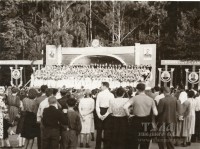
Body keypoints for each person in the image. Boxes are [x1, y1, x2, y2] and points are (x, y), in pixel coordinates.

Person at [123, 83, 158, 149]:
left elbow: (125, 107)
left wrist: (129, 115)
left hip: (136, 120)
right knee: (145, 141)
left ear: (137, 89)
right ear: (144, 89)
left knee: (134, 141)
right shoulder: (151, 99)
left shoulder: (134, 98)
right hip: (147, 121)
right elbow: (156, 113)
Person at [95, 82, 114, 149]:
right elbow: (111, 106)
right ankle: (107, 147)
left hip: (100, 111)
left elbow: (97, 105)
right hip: (108, 112)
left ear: (105, 86)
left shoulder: (99, 94)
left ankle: (98, 147)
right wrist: (105, 115)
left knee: (99, 131)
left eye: (101, 86)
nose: (100, 87)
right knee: (107, 131)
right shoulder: (111, 95)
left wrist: (99, 115)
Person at [34, 85, 48, 149]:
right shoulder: (50, 98)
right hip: (49, 120)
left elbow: (35, 111)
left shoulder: (38, 99)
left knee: (40, 136)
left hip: (40, 120)